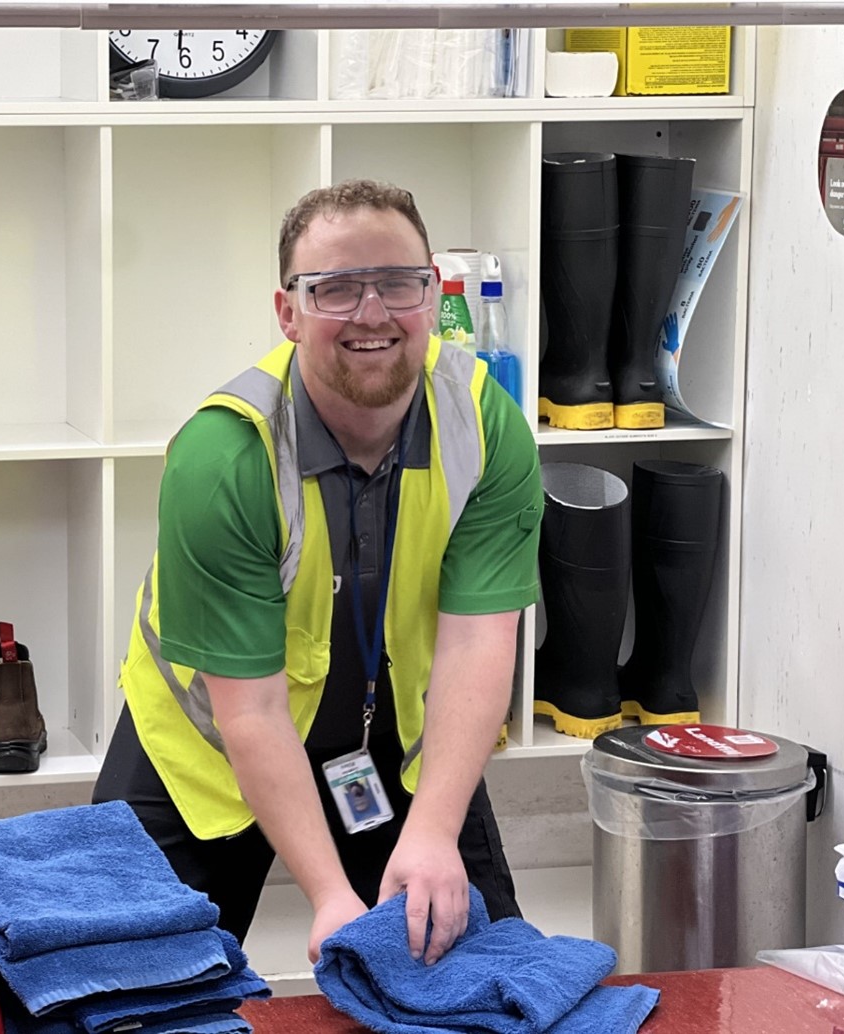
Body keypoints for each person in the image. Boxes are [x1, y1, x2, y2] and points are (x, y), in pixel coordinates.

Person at [93, 179, 543, 967]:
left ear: (432, 293)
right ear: (287, 312)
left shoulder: (483, 420)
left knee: (482, 984)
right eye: (333, 288)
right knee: (126, 992)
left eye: (398, 283)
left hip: (394, 744)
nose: (371, 313)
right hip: (208, 753)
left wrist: (434, 831)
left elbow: (479, 644)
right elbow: (254, 712)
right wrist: (332, 896)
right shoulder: (222, 456)